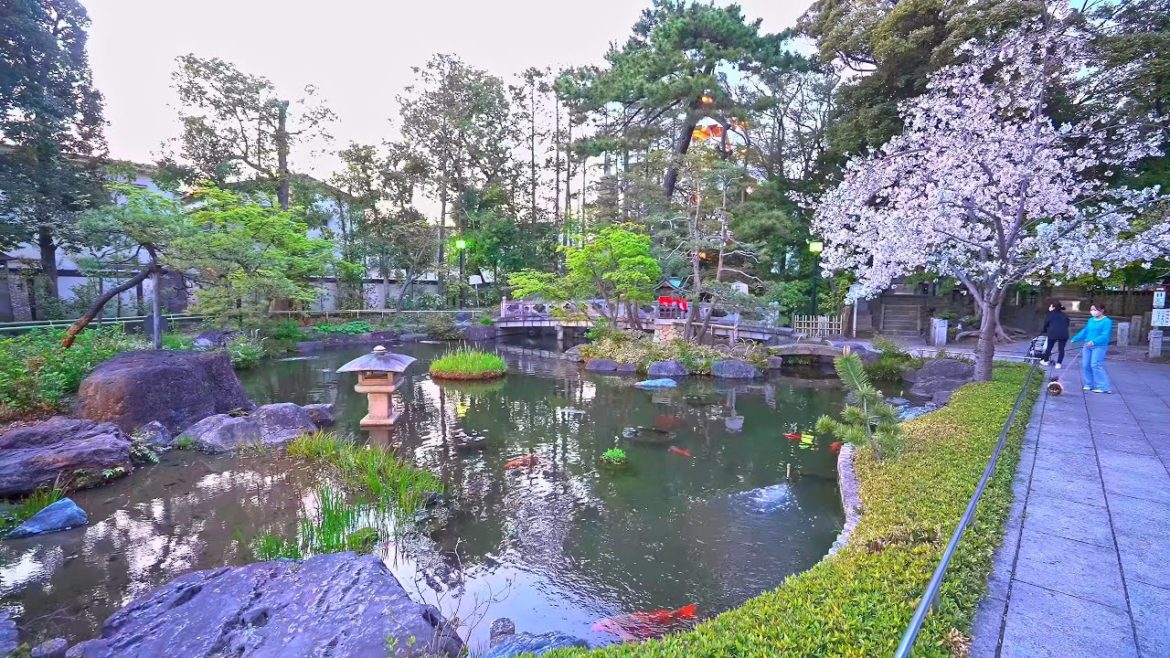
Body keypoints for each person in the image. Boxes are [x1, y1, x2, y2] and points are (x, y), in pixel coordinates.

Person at [1071, 303, 1114, 394]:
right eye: (1091, 309)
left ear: (1101, 310)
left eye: (1095, 309)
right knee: (1086, 365)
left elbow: (1105, 336)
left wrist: (1094, 342)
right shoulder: (1091, 320)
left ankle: (1103, 387)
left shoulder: (1107, 321)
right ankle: (1089, 384)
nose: (1092, 311)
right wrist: (1076, 338)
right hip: (1087, 346)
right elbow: (1085, 331)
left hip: (1099, 346)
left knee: (1096, 365)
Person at [1040, 301, 1070, 368]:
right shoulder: (1064, 315)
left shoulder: (1050, 314)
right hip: (1063, 333)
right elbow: (1067, 323)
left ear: (1053, 307)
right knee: (1061, 349)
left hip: (1052, 333)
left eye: (1050, 306)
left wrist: (1044, 331)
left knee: (1049, 348)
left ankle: (1045, 361)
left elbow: (1046, 324)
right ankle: (1058, 364)